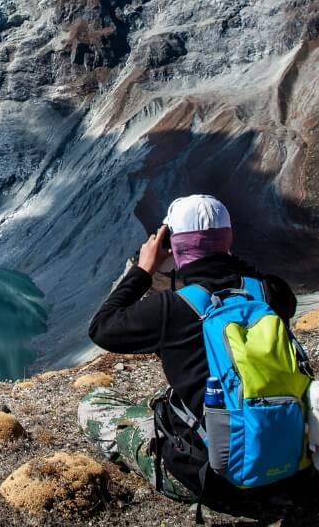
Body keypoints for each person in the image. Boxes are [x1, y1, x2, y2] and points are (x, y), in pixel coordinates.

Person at [79, 194, 298, 503]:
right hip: (285, 457)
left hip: (206, 478)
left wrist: (143, 270)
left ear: (176, 244)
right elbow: (257, 280)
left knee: (94, 402)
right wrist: (223, 254)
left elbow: (101, 327)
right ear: (229, 239)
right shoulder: (270, 292)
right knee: (159, 399)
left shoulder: (171, 308)